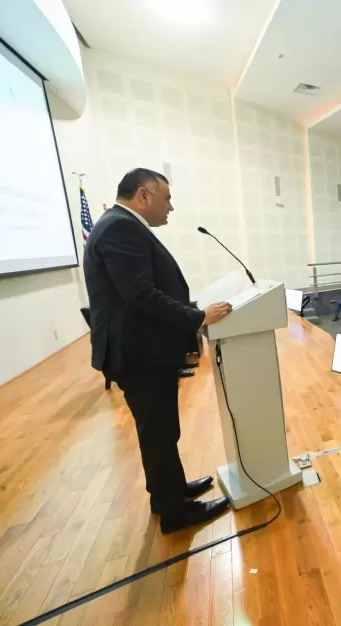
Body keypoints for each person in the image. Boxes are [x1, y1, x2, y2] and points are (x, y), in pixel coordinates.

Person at [83, 168, 231, 533]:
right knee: (159, 432)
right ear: (143, 196)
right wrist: (197, 316)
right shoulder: (119, 227)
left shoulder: (119, 224)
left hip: (142, 349)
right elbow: (140, 294)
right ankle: (174, 511)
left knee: (160, 431)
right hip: (138, 352)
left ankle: (169, 492)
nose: (171, 208)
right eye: (166, 199)